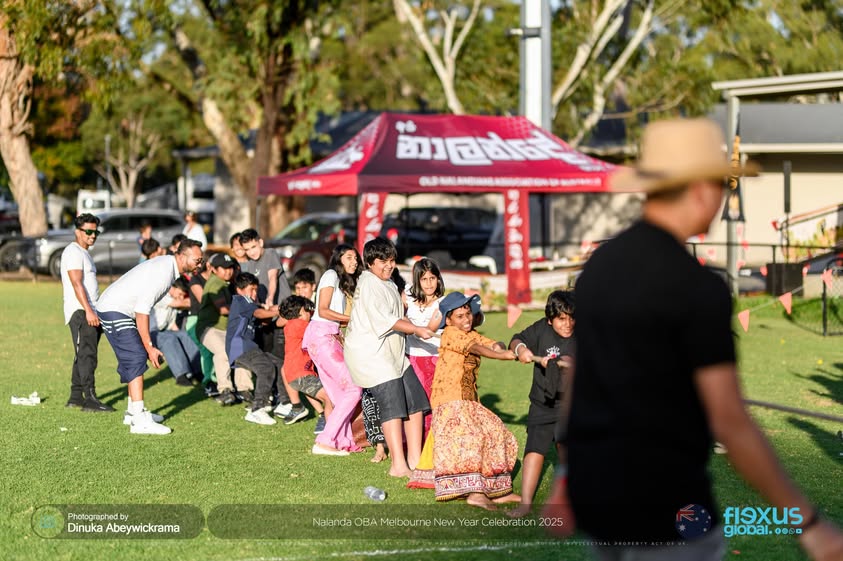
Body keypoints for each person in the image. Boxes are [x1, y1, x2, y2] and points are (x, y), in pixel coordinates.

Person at [559, 118, 843, 559]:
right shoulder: (695, 286)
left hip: (600, 497)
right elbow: (729, 419)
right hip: (669, 505)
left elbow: (580, 376)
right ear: (699, 190)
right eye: (724, 187)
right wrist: (808, 523)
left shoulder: (600, 266)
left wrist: (567, 472)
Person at [344, 237, 434, 476]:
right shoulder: (370, 284)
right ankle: (398, 465)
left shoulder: (388, 282)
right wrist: (416, 329)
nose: (389, 266)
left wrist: (417, 322)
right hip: (372, 356)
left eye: (392, 261)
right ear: (371, 263)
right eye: (383, 261)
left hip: (393, 354)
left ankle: (415, 460)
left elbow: (398, 315)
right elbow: (386, 320)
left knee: (415, 400)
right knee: (393, 406)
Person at [96, 239, 204, 435]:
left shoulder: (168, 268)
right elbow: (142, 310)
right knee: (136, 356)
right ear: (181, 256)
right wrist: (149, 346)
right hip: (115, 309)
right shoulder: (164, 273)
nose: (200, 264)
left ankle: (132, 412)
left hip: (118, 309)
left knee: (134, 357)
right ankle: (138, 420)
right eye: (197, 260)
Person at [427, 291, 520, 508]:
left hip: (468, 399)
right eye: (460, 316)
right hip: (449, 399)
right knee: (473, 437)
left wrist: (500, 347)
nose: (466, 319)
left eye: (468, 313)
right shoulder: (450, 333)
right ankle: (475, 493)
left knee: (495, 431)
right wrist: (502, 356)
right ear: (448, 320)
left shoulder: (470, 333)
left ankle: (496, 491)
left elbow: (489, 343)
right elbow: (477, 349)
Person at [506, 290, 576, 519]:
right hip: (541, 403)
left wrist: (563, 362)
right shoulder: (540, 329)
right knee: (534, 450)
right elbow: (516, 339)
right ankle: (525, 504)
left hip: (569, 405)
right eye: (562, 319)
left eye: (571, 318)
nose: (568, 324)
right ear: (549, 319)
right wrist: (521, 350)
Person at [302, 244, 362, 455]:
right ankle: (325, 440)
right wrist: (354, 319)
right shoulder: (329, 275)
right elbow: (323, 310)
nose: (354, 261)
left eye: (355, 258)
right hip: (322, 337)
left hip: (328, 337)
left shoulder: (341, 281)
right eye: (349, 257)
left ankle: (344, 441)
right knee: (355, 388)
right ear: (338, 259)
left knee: (338, 393)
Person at [61, 213, 114, 413]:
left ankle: (75, 397)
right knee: (87, 355)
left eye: (96, 232)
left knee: (83, 353)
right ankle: (90, 400)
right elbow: (77, 283)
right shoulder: (73, 252)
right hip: (81, 311)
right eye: (89, 232)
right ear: (78, 232)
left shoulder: (84, 252)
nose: (93, 235)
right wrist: (89, 311)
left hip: (89, 310)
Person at [226, 272, 283, 425]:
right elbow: (259, 313)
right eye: (251, 289)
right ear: (239, 289)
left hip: (249, 347)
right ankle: (258, 408)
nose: (254, 293)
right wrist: (279, 310)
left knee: (277, 364)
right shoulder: (240, 300)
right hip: (240, 347)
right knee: (266, 368)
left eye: (256, 289)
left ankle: (284, 402)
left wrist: (273, 309)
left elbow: (264, 321)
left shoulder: (250, 304)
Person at [196, 253, 252, 406]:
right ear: (213, 269)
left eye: (230, 268)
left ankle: (244, 389)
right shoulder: (216, 283)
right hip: (209, 328)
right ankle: (225, 390)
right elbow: (223, 309)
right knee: (223, 351)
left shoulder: (227, 282)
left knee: (241, 351)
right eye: (223, 268)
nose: (228, 271)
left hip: (225, 329)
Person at [405, 257, 445, 435]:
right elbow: (396, 313)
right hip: (409, 357)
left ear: (438, 279)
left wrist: (407, 326)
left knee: (430, 402)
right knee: (412, 401)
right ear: (417, 280)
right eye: (424, 279)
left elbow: (429, 329)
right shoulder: (408, 296)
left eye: (432, 278)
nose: (429, 284)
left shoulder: (443, 303)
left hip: (432, 359)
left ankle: (430, 444)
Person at [280, 295, 331, 432]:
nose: (311, 313)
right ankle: (329, 428)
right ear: (301, 311)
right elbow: (319, 332)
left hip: (296, 375)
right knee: (330, 397)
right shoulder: (299, 324)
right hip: (301, 374)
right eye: (308, 310)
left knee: (313, 392)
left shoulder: (290, 325)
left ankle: (322, 417)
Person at [149, 277, 199, 387]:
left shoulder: (172, 300)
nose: (181, 297)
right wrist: (197, 302)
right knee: (169, 339)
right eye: (180, 294)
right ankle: (181, 375)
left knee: (184, 335)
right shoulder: (161, 295)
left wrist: (181, 336)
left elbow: (172, 325)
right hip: (151, 333)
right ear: (173, 288)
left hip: (164, 330)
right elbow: (177, 303)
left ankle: (197, 371)